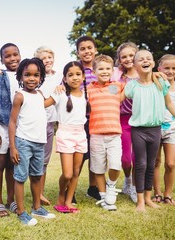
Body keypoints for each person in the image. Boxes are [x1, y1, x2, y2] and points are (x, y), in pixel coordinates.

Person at [124, 50, 175, 212]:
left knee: (151, 164)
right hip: (138, 130)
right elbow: (116, 97)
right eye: (141, 59)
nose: (145, 61)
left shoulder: (161, 82)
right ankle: (140, 201)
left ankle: (148, 198)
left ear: (153, 64)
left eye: (148, 58)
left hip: (155, 129)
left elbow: (169, 104)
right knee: (141, 164)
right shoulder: (132, 85)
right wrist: (107, 88)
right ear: (135, 65)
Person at [8, 58, 55, 226]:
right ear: (20, 76)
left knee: (36, 176)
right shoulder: (20, 96)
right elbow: (12, 122)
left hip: (39, 142)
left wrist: (59, 92)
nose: (32, 78)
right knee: (20, 178)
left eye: (36, 75)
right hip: (23, 142)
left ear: (41, 77)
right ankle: (21, 211)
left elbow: (44, 105)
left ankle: (37, 207)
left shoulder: (40, 94)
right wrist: (13, 147)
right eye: (27, 75)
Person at [44, 61, 89, 213]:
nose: (74, 78)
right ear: (64, 78)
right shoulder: (60, 93)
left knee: (76, 172)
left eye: (78, 74)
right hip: (65, 134)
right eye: (70, 75)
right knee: (68, 173)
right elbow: (43, 104)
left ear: (83, 77)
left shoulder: (85, 95)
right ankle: (61, 194)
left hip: (81, 134)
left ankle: (69, 202)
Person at [0, 43, 21, 217]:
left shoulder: (24, 76)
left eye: (15, 54)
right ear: (1, 60)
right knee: (0, 163)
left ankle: (11, 200)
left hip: (18, 127)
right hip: (0, 126)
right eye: (8, 56)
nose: (12, 58)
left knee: (12, 165)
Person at [87, 55, 125, 211]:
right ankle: (104, 198)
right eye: (100, 69)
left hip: (114, 134)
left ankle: (111, 186)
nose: (104, 71)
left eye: (108, 69)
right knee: (98, 168)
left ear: (112, 70)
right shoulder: (89, 89)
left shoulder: (116, 86)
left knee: (116, 165)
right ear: (94, 71)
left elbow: (138, 80)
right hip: (96, 134)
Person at [152, 54, 175, 205]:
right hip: (154, 128)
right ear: (159, 68)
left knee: (170, 164)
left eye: (174, 68)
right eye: (166, 68)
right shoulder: (154, 83)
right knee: (155, 162)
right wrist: (153, 74)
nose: (170, 71)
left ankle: (168, 195)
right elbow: (143, 74)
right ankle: (158, 193)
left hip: (172, 130)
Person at [33, 46, 63, 205]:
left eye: (50, 57)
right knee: (35, 159)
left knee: (44, 160)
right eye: (44, 58)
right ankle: (34, 192)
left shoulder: (60, 76)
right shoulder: (36, 77)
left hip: (51, 123)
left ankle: (40, 193)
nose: (48, 61)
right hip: (36, 123)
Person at [112, 42, 139, 203]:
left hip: (141, 120)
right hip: (122, 119)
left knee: (138, 157)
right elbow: (110, 94)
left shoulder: (145, 74)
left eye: (131, 55)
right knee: (126, 158)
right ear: (120, 60)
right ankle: (128, 179)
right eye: (124, 57)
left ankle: (135, 188)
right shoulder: (117, 76)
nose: (128, 59)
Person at [75, 36, 101, 201]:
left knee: (96, 156)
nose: (87, 51)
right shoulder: (76, 70)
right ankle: (72, 189)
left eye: (89, 47)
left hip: (99, 120)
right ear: (78, 53)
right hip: (81, 121)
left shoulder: (103, 69)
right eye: (82, 49)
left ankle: (93, 187)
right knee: (79, 157)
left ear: (95, 50)